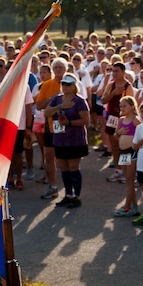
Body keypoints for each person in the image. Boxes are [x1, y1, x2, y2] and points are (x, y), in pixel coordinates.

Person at [44, 73, 90, 208]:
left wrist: (69, 123)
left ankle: (77, 196)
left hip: (75, 140)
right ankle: (68, 195)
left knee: (73, 167)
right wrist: (60, 107)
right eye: (63, 84)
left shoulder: (79, 101)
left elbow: (86, 121)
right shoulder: (57, 99)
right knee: (63, 167)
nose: (64, 86)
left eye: (68, 84)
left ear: (74, 86)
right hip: (60, 139)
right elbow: (46, 113)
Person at [34, 58, 67, 199]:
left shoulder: (71, 83)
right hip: (50, 125)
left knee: (66, 158)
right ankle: (52, 186)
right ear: (53, 70)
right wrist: (52, 98)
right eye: (56, 67)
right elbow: (39, 105)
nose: (58, 70)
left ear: (65, 69)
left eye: (61, 67)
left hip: (67, 125)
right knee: (49, 156)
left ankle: (70, 190)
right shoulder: (47, 85)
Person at [112, 96, 140, 217]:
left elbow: (142, 134)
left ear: (132, 106)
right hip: (123, 153)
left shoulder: (135, 120)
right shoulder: (121, 120)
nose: (122, 108)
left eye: (124, 106)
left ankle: (127, 206)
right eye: (121, 106)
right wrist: (119, 132)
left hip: (131, 152)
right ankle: (134, 206)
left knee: (129, 180)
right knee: (128, 181)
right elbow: (115, 136)